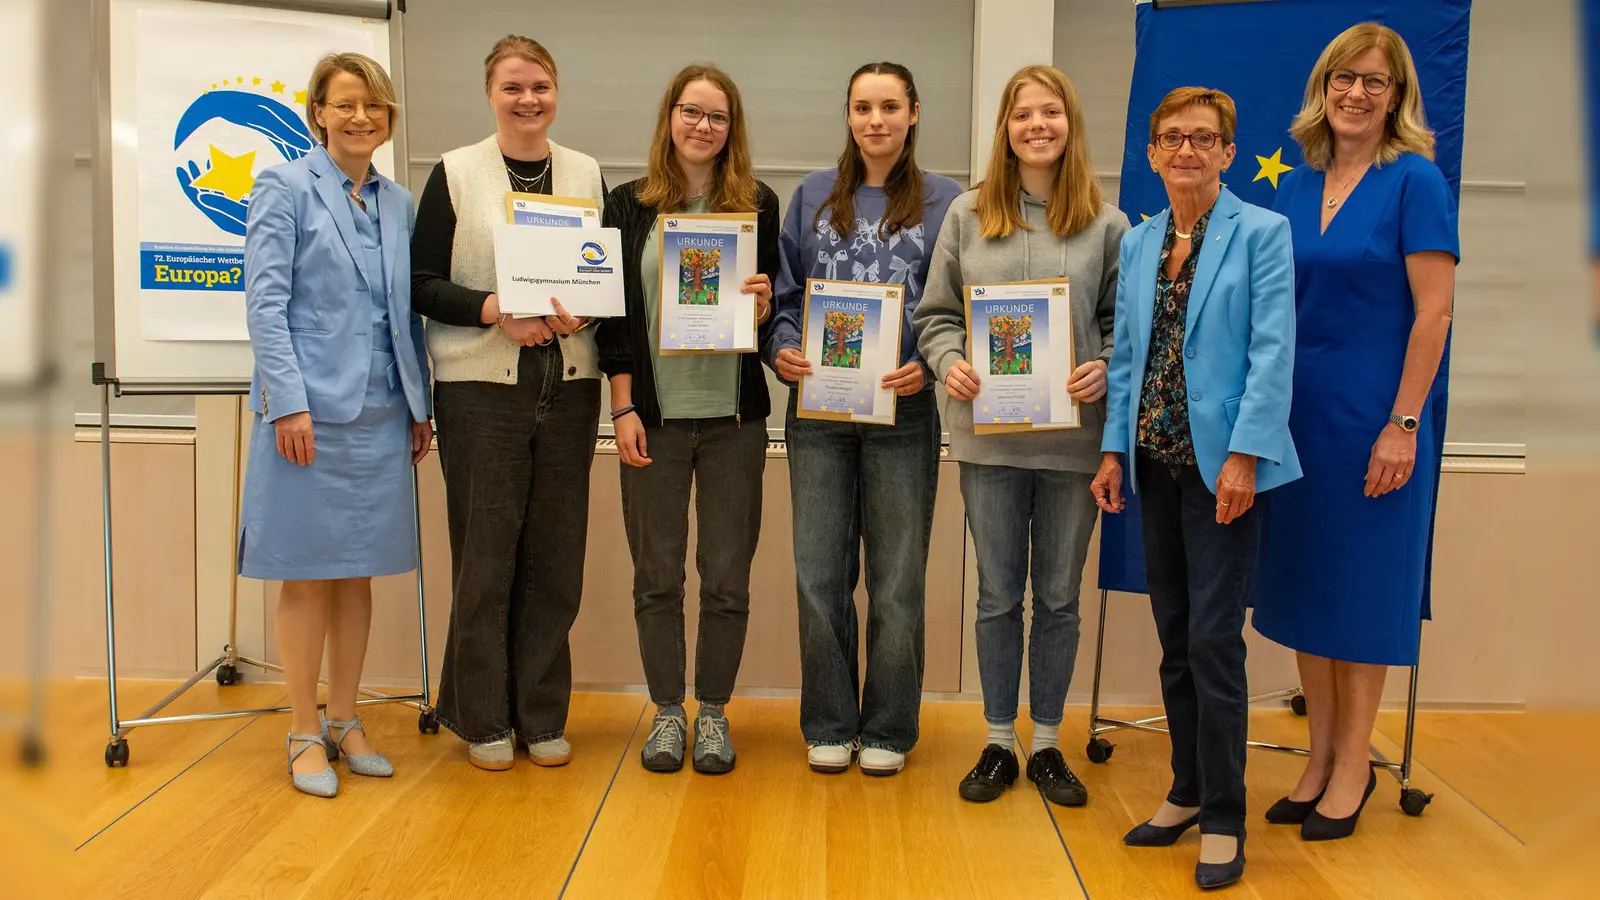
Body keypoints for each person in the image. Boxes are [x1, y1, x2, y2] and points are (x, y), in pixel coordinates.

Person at [1253, 22, 1459, 841]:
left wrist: (1403, 424)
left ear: (1397, 96)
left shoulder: (1415, 181)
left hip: (1378, 421)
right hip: (1298, 422)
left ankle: (1354, 765)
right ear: (1323, 86)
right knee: (1308, 589)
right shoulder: (1297, 183)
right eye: (1344, 77)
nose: (1356, 94)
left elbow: (1434, 314)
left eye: (1376, 82)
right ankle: (1317, 759)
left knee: (1362, 593)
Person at [1091, 87, 1300, 889]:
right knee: (1175, 636)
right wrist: (1113, 452)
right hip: (1155, 463)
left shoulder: (1263, 233)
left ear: (1228, 153)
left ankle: (1223, 817)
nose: (1186, 150)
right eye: (1172, 137)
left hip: (1225, 472)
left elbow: (1273, 353)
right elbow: (1126, 359)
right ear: (1152, 154)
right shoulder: (1140, 241)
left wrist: (1245, 456)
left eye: (1204, 138)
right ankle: (1185, 789)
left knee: (1214, 641)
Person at [913, 65, 1129, 807]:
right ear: (1005, 129)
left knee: (1060, 599)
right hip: (991, 442)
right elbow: (936, 316)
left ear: (1071, 123)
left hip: (1073, 446)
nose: (1038, 125)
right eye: (1023, 114)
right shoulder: (968, 215)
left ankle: (1048, 746)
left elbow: (1123, 327)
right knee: (998, 596)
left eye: (1051, 112)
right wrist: (950, 361)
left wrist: (1104, 366)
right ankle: (999, 741)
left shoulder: (1108, 223)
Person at [411, 35, 607, 772]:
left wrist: (584, 311)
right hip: (480, 391)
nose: (529, 100)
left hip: (571, 385)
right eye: (513, 87)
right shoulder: (456, 173)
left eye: (540, 87)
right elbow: (421, 284)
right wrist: (496, 310)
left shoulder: (585, 172)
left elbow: (600, 277)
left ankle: (541, 714)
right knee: (486, 557)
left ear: (557, 92)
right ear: (490, 94)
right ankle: (484, 716)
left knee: (555, 558)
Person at [240, 53, 431, 798]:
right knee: (307, 572)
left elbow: (405, 315)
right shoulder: (283, 186)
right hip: (308, 415)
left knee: (358, 572)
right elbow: (265, 303)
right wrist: (287, 402)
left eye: (374, 106)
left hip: (383, 412)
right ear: (318, 112)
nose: (360, 117)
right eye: (346, 104)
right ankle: (300, 729)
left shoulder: (399, 202)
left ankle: (346, 720)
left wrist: (419, 406)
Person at [765, 62, 962, 777]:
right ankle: (828, 721)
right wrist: (784, 348)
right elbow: (785, 296)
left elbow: (960, 305)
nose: (875, 120)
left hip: (904, 409)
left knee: (897, 580)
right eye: (862, 107)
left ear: (913, 113)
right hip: (819, 409)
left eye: (889, 106)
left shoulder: (949, 201)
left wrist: (931, 366)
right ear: (848, 115)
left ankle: (888, 728)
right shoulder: (812, 195)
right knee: (819, 574)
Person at [596, 64, 779, 775]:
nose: (703, 126)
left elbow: (774, 317)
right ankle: (669, 712)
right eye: (692, 112)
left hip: (734, 422)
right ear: (669, 116)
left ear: (733, 128)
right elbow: (613, 317)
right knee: (657, 576)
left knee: (727, 577)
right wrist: (623, 406)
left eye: (717, 116)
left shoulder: (757, 204)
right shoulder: (627, 203)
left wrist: (762, 309)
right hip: (655, 419)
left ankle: (714, 714)